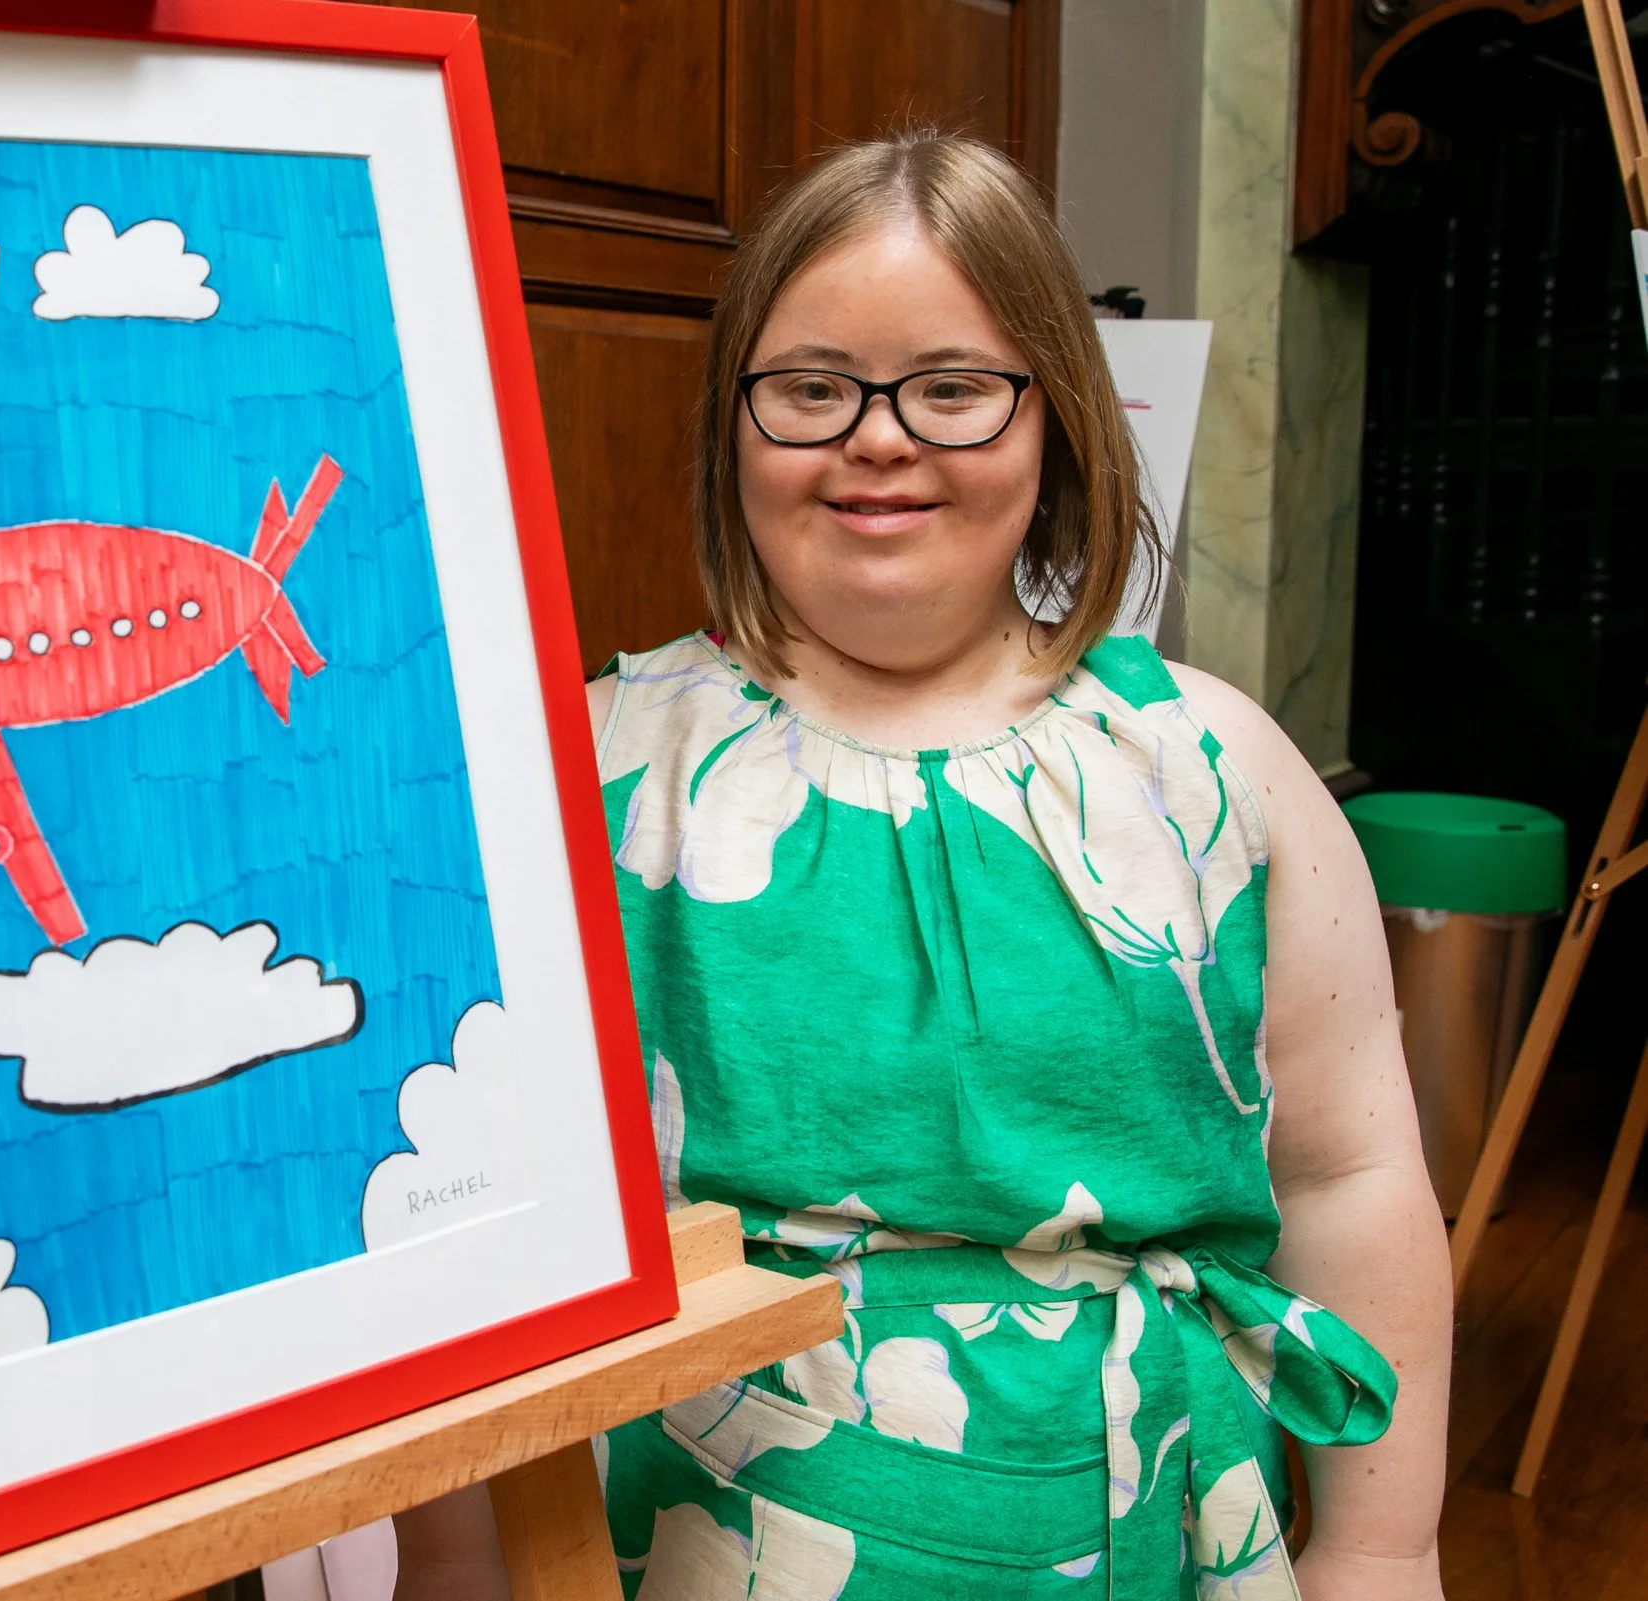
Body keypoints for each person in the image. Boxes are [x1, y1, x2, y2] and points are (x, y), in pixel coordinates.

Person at [394, 131, 1449, 1599]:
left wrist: (1387, 1548)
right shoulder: (602, 769)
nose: (877, 437)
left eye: (953, 388)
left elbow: (1353, 1176)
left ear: (1056, 419)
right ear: (734, 428)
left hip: (1154, 1525)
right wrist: (455, 1555)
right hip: (700, 1524)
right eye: (812, 389)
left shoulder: (1218, 770)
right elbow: (474, 1219)